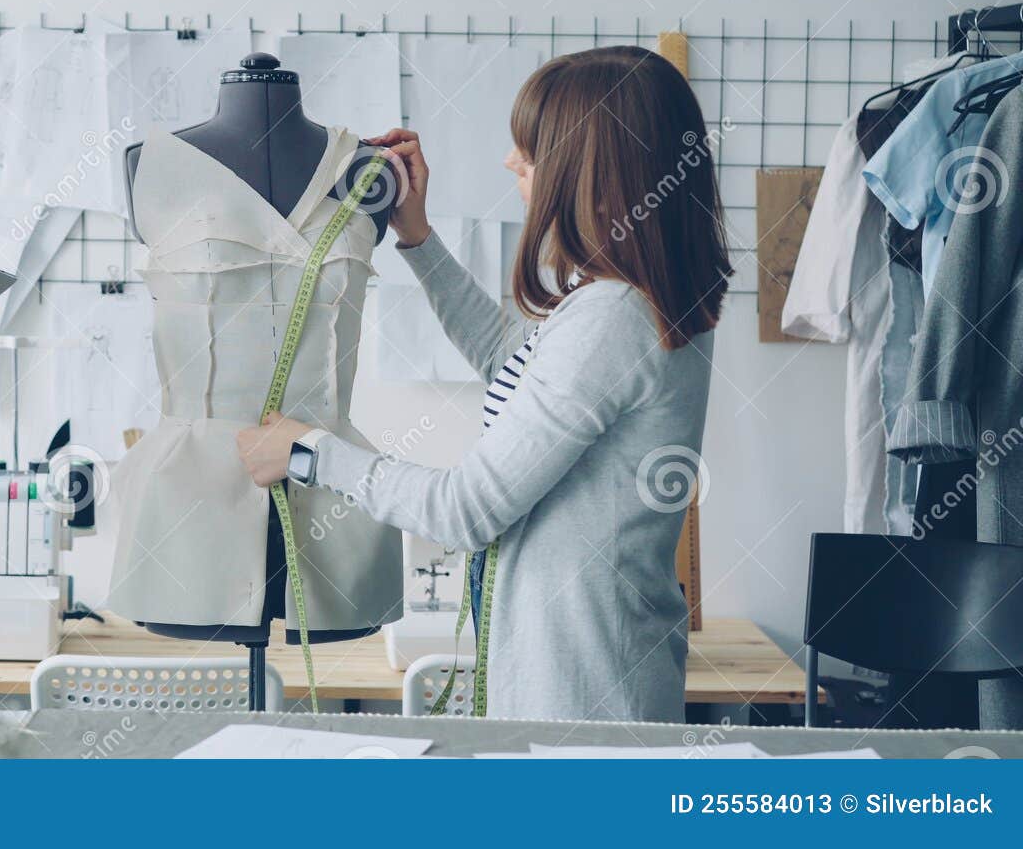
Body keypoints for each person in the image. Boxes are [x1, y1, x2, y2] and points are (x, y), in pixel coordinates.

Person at [237, 46, 733, 722]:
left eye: (529, 150)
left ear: (590, 170)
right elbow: (513, 365)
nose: (511, 163)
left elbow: (465, 510)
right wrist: (418, 239)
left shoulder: (615, 318)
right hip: (586, 684)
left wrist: (309, 454)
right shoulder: (623, 300)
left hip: (584, 710)